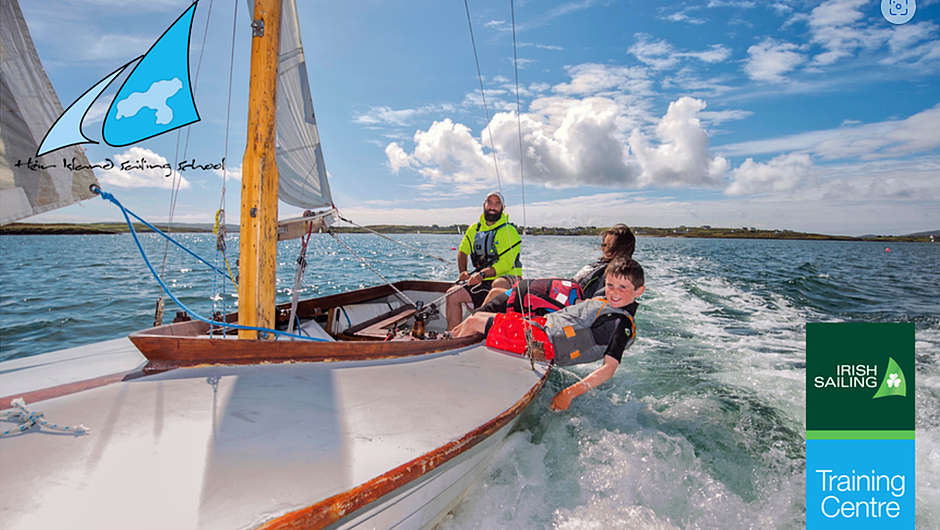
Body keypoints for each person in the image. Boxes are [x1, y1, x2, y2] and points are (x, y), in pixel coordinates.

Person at [453, 257, 646, 411]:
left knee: (473, 321)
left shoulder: (620, 324)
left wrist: (569, 394)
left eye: (623, 287)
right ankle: (450, 344)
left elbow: (609, 368)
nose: (614, 292)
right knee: (482, 315)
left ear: (639, 291)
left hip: (541, 341)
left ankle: (449, 364)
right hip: (540, 328)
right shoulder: (607, 306)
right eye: (610, 285)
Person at [446, 191, 522, 330]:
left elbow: (506, 263)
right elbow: (463, 251)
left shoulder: (509, 231)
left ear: (503, 208)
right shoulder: (473, 229)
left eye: (497, 204)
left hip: (508, 278)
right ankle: (452, 337)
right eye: (490, 203)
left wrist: (482, 275)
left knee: (498, 284)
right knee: (452, 294)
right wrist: (463, 271)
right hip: (482, 278)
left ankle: (472, 330)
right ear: (484, 205)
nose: (492, 207)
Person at [572, 223, 636, 299]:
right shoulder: (598, 265)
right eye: (604, 245)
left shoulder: (619, 274)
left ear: (624, 248)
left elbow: (603, 303)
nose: (606, 250)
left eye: (612, 246)